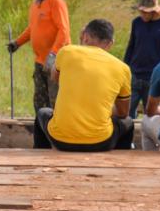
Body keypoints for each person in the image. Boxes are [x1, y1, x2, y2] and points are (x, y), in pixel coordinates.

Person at [34, 18, 135, 151]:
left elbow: (55, 78)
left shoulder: (67, 52)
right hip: (101, 142)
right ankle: (121, 161)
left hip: (60, 140)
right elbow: (123, 113)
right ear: (110, 43)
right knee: (128, 122)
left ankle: (41, 154)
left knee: (43, 112)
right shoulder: (122, 68)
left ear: (85, 36)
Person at [7, 0, 70, 112]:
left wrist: (53, 55)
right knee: (40, 102)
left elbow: (64, 31)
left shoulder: (55, 0)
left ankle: (58, 133)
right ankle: (41, 131)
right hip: (40, 61)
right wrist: (17, 43)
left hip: (57, 61)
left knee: (56, 101)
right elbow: (32, 28)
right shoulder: (35, 4)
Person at [123, 0, 160, 117]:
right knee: (126, 112)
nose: (143, 15)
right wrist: (125, 67)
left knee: (152, 115)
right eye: (141, 11)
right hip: (135, 75)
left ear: (154, 11)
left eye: (146, 12)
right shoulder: (136, 22)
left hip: (154, 77)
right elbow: (131, 46)